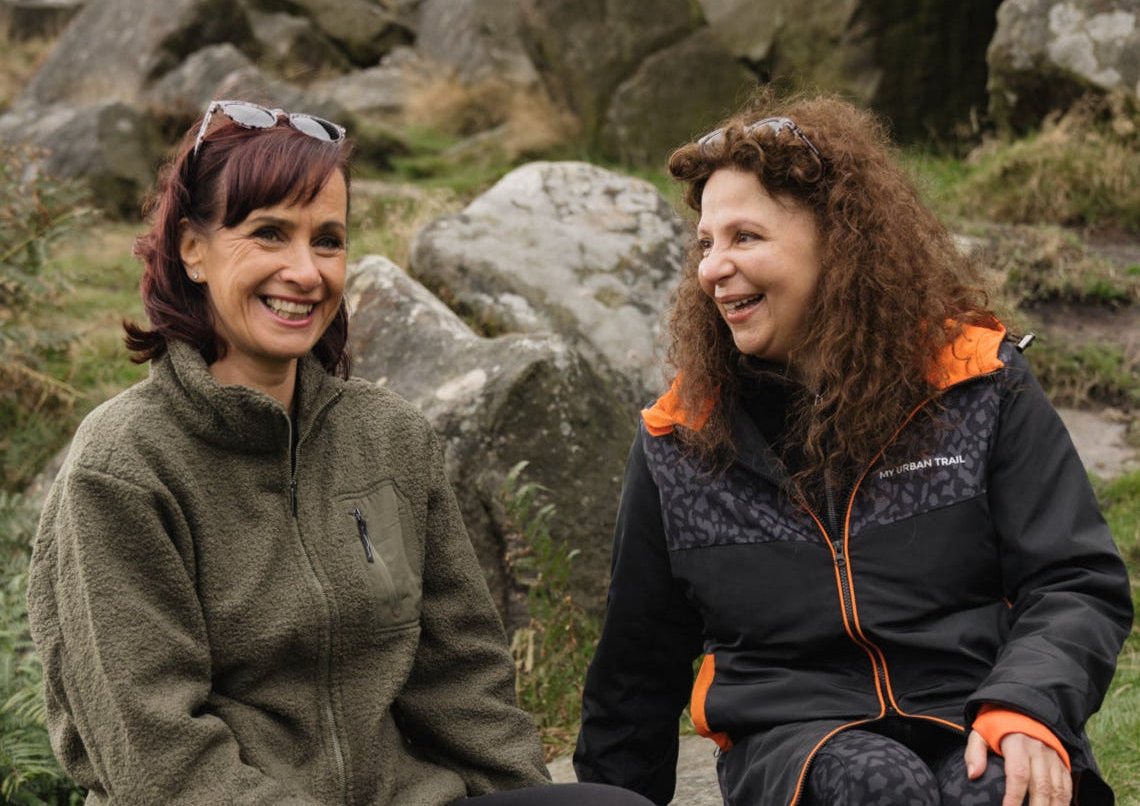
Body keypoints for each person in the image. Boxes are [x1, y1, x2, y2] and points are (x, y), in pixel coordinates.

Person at [27, 99, 654, 806]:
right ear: (190, 248)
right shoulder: (123, 469)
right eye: (269, 234)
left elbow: (462, 679)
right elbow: (159, 759)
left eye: (327, 241)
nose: (305, 271)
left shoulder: (389, 440)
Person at [572, 91, 1134, 806]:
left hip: (979, 704)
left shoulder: (976, 383)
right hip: (795, 738)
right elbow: (636, 669)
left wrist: (1029, 704)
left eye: (745, 236)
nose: (713, 267)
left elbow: (1075, 579)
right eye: (705, 243)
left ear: (838, 239)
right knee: (878, 785)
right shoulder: (682, 437)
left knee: (988, 789)